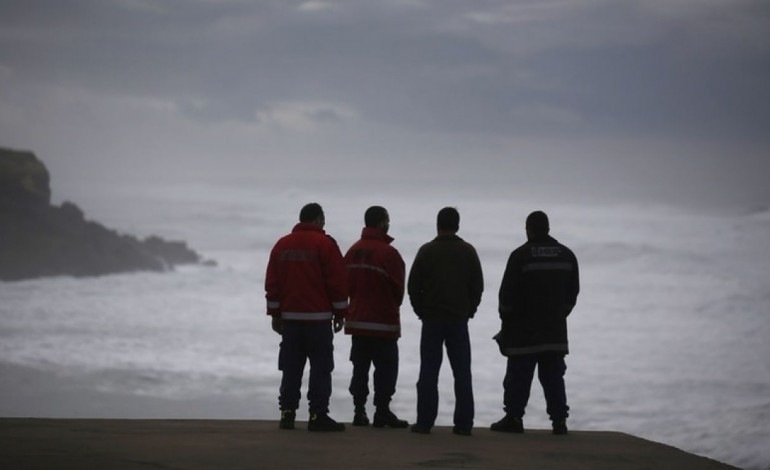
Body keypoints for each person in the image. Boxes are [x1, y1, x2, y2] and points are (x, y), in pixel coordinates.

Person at [491, 210, 580, 435]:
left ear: (528, 229)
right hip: (554, 332)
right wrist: (560, 316)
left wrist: (507, 322)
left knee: (518, 377)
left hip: (524, 333)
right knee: (553, 378)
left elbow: (506, 296)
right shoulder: (567, 256)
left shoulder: (520, 255)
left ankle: (514, 418)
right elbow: (573, 294)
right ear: (548, 228)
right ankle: (559, 422)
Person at [265, 202, 349, 432]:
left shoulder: (282, 245)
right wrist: (341, 313)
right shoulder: (326, 244)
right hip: (318, 321)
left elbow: (272, 283)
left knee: (291, 368)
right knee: (321, 369)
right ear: (318, 220)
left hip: (291, 321)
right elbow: (337, 282)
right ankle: (317, 415)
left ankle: (287, 413)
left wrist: (275, 313)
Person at [407, 207, 484, 436]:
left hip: (432, 320)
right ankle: (463, 424)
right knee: (462, 373)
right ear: (457, 225)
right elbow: (477, 286)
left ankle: (424, 422)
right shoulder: (468, 251)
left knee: (429, 372)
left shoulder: (427, 251)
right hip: (458, 321)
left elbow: (413, 287)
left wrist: (421, 311)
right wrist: (469, 310)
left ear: (437, 224)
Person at [344, 206, 409, 428]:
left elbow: (343, 286)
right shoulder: (389, 254)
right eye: (388, 221)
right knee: (386, 370)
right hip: (383, 324)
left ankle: (358, 411)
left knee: (359, 368)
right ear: (382, 223)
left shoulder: (352, 251)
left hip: (358, 322)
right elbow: (399, 291)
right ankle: (382, 411)